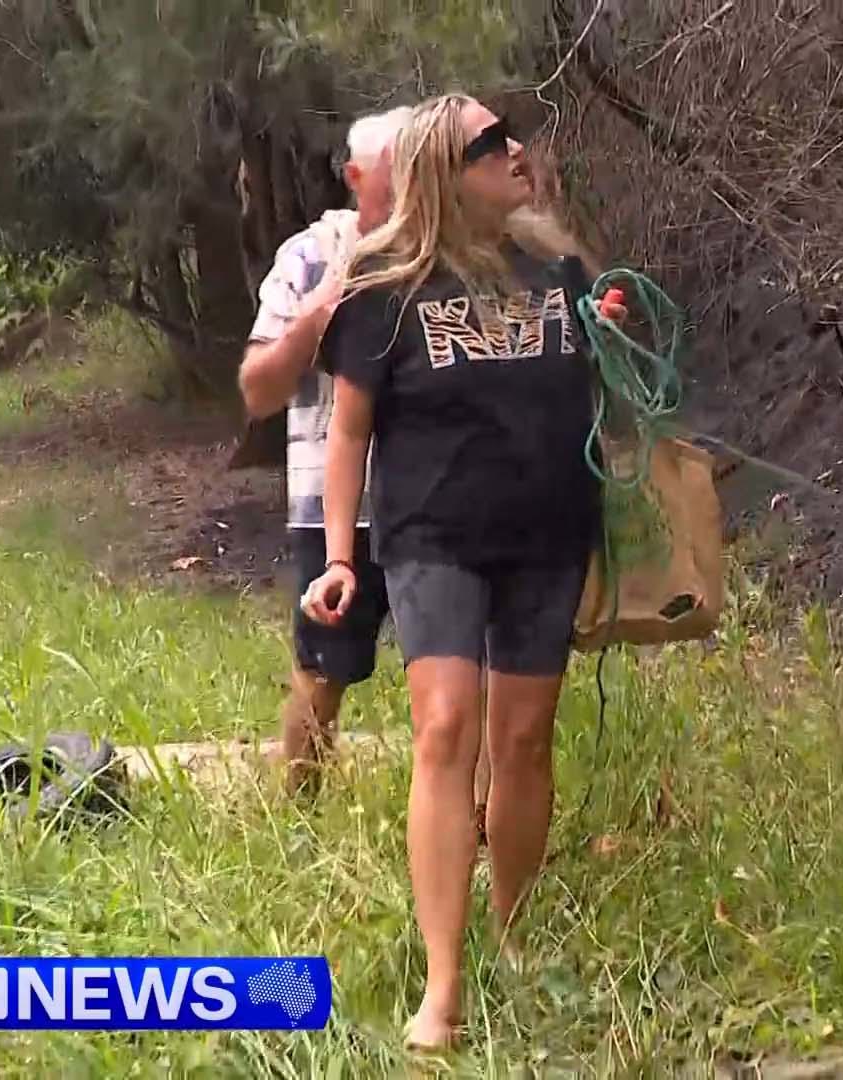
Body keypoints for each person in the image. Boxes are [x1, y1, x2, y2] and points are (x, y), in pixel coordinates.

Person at [299, 92, 627, 1052]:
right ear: (446, 167)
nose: (516, 150)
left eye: (512, 134)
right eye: (492, 143)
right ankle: (443, 987)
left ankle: (513, 936)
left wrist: (605, 329)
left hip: (549, 535)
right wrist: (338, 558)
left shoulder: (559, 268)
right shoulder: (381, 288)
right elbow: (347, 430)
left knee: (523, 742)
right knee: (445, 729)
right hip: (431, 536)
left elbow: (601, 392)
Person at [237, 105, 410, 796]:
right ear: (356, 177)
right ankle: (300, 806)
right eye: (399, 173)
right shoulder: (310, 256)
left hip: (444, 500)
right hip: (339, 508)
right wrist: (321, 312)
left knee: (466, 670)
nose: (415, 189)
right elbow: (258, 390)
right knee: (323, 671)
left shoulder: (455, 252)